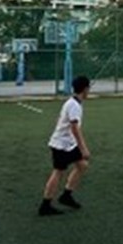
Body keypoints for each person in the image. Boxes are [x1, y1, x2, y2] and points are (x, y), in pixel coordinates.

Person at [39, 75, 91, 216]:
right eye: (88, 88)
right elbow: (75, 128)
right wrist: (83, 148)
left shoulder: (73, 103)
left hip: (68, 144)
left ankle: (66, 195)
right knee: (58, 172)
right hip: (61, 145)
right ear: (85, 89)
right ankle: (45, 205)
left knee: (82, 165)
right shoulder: (74, 105)